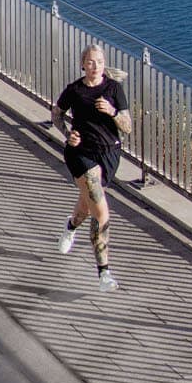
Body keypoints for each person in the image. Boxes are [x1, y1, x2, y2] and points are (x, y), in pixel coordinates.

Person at [51, 43, 131, 292]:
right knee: (101, 213)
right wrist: (68, 134)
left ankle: (70, 227)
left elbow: (127, 127)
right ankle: (104, 273)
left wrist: (112, 111)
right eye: (90, 62)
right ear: (82, 64)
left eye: (100, 61)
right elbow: (56, 113)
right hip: (81, 155)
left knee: (86, 206)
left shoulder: (113, 89)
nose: (95, 66)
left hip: (109, 154)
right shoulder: (74, 90)